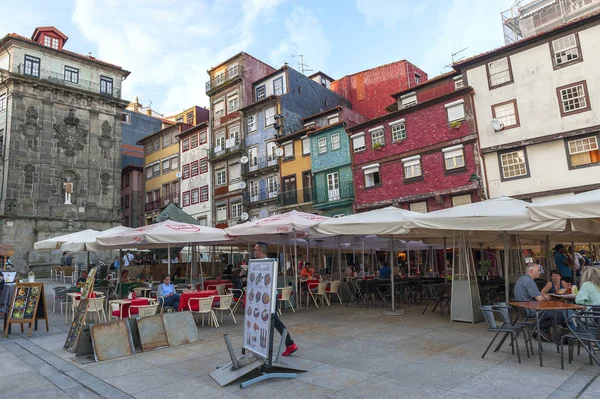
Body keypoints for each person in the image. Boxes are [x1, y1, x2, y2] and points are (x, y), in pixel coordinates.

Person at [254, 241, 298, 356]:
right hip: (263, 297)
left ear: (261, 251)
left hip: (270, 297)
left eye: (255, 250)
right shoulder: (258, 264)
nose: (253, 252)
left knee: (274, 321)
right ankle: (286, 344)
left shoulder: (268, 264)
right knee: (269, 321)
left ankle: (289, 344)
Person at [514, 263, 565, 340]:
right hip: (532, 310)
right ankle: (538, 327)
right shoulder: (529, 281)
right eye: (538, 270)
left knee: (553, 313)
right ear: (531, 271)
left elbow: (537, 296)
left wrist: (543, 296)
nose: (540, 272)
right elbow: (539, 298)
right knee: (560, 314)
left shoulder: (522, 279)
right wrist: (546, 298)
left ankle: (541, 331)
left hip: (524, 309)